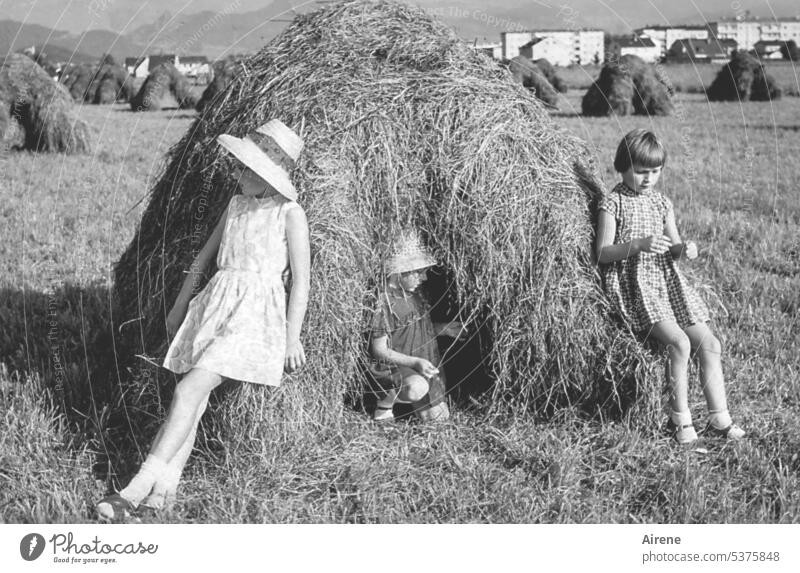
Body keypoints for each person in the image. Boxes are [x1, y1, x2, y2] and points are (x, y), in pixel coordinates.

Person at [95, 119, 311, 521]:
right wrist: (180, 305)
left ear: (267, 174)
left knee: (189, 390)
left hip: (254, 317)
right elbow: (202, 260)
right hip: (216, 305)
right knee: (192, 398)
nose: (236, 173)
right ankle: (164, 492)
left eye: (245, 168)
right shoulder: (235, 204)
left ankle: (134, 488)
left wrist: (292, 336)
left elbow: (301, 279)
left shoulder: (290, 213)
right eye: (239, 166)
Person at [595, 128, 745, 445]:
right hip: (635, 284)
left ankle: (720, 420)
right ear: (622, 166)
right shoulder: (613, 203)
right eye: (640, 171)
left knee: (710, 344)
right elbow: (602, 253)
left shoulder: (663, 203)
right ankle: (680, 422)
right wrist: (637, 245)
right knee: (679, 343)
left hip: (667, 281)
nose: (648, 178)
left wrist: (684, 249)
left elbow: (673, 246)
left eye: (655, 171)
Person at [368, 232, 464, 423]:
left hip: (422, 360)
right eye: (419, 272)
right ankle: (383, 408)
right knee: (417, 388)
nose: (425, 277)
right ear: (400, 272)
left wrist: (442, 329)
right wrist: (414, 363)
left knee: (439, 420)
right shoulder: (384, 303)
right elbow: (378, 350)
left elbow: (413, 330)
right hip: (397, 367)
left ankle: (411, 403)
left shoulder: (416, 293)